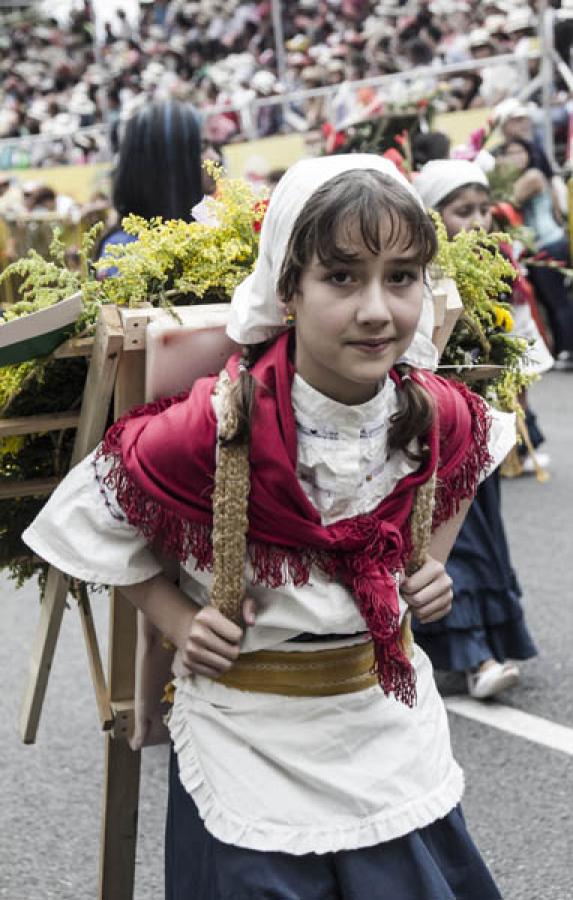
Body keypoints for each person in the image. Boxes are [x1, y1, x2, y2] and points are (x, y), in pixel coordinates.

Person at [22, 155, 511, 899]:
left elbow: (476, 452)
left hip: (381, 724)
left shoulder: (436, 410)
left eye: (401, 276)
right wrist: (178, 618)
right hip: (247, 731)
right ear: (287, 288)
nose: (377, 309)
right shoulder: (210, 427)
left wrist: (425, 563)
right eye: (342, 278)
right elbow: (85, 518)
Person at [413, 159, 538, 699]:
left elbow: (523, 340)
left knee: (484, 538)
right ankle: (475, 655)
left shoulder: (496, 267)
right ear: (433, 218)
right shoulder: (416, 271)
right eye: (463, 211)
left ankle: (487, 641)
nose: (480, 221)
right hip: (431, 431)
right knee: (452, 542)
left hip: (481, 429)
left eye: (484, 209)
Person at [96, 99, 203, 274]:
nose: (214, 158)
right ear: (170, 163)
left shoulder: (213, 229)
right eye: (201, 147)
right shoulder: (123, 254)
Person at [495, 137, 573, 370]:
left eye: (519, 152)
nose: (515, 158)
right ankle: (562, 349)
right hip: (541, 245)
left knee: (557, 301)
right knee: (551, 302)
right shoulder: (526, 177)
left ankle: (568, 351)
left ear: (529, 152)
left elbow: (508, 201)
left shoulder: (533, 176)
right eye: (510, 153)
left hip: (548, 244)